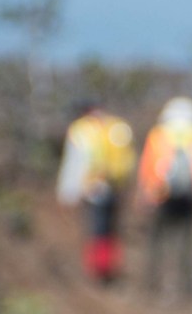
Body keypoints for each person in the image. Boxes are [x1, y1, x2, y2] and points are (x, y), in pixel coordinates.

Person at [137, 96, 192, 297]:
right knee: (187, 242)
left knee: (157, 240)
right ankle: (187, 287)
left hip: (161, 194)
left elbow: (148, 166)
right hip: (191, 196)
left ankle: (151, 283)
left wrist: (146, 193)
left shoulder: (158, 136)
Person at [55, 100, 135, 283]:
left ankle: (97, 271)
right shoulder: (117, 127)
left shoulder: (81, 130)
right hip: (116, 187)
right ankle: (110, 268)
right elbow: (128, 159)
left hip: (93, 189)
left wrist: (67, 193)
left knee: (96, 230)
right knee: (111, 230)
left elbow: (74, 163)